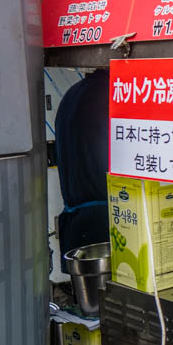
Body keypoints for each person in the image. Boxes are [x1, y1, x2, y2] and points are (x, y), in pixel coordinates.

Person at [55, 68, 110, 266]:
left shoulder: (73, 93)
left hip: (75, 223)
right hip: (105, 226)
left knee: (85, 293)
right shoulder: (111, 96)